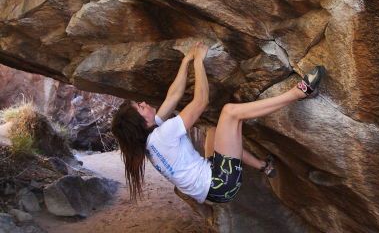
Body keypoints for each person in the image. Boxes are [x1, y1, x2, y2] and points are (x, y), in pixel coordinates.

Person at [111, 42, 325, 205]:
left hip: (211, 189)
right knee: (230, 113)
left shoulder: (150, 139)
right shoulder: (163, 135)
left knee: (215, 132)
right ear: (144, 121)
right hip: (221, 184)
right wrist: (198, 61)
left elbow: (173, 97)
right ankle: (299, 92)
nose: (144, 103)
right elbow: (201, 102)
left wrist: (185, 61)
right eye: (140, 107)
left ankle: (263, 166)